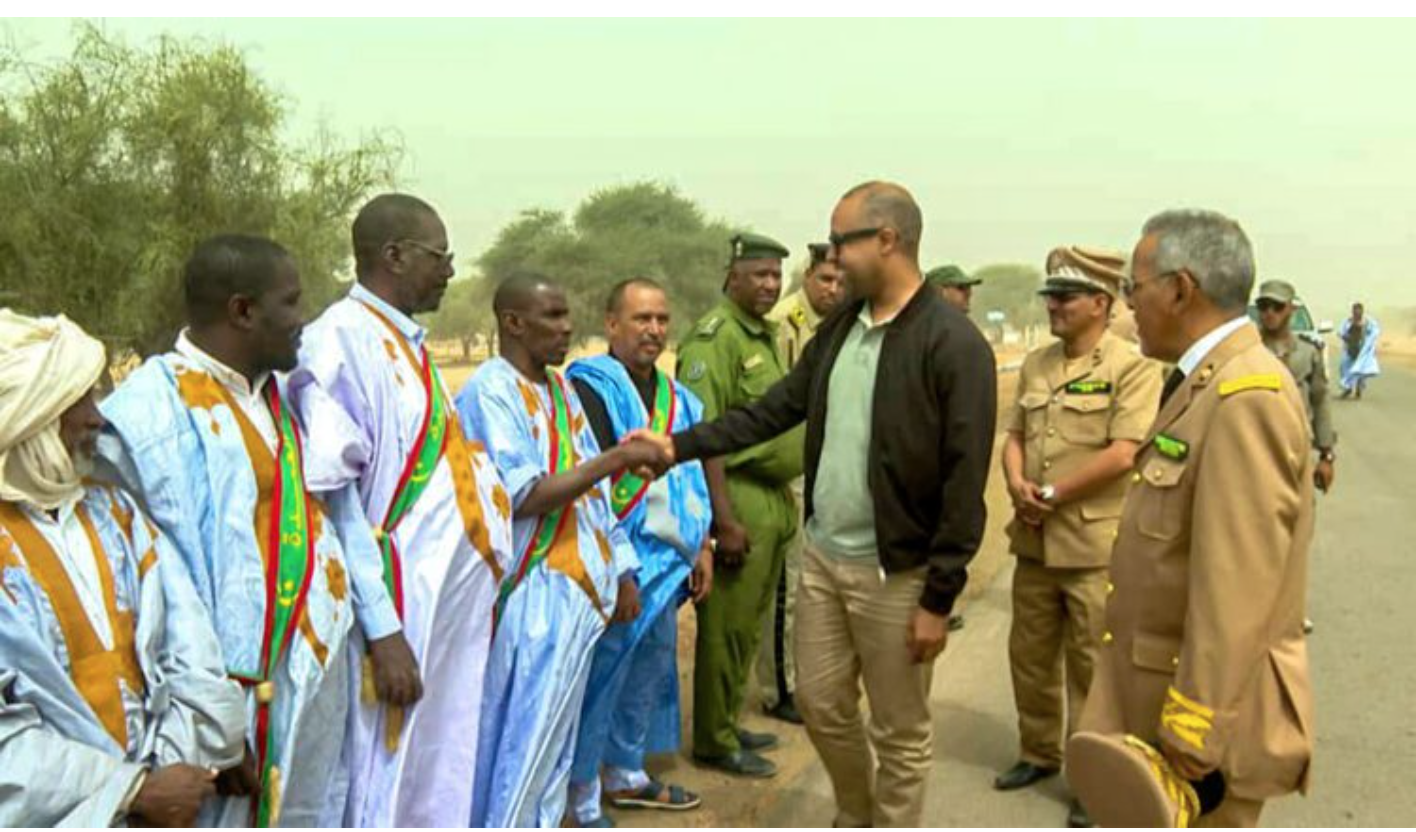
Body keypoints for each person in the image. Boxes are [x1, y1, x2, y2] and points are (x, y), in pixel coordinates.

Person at [636, 181, 998, 827]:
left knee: (900, 730)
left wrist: (939, 597)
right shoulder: (839, 332)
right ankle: (858, 815)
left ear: (886, 240)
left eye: (842, 241)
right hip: (827, 560)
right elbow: (773, 410)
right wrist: (676, 445)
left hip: (898, 575)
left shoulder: (950, 343)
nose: (831, 258)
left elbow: (965, 480)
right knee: (826, 708)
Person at [99, 235, 358, 826]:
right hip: (217, 703)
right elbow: (147, 589)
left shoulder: (284, 399)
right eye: (291, 303)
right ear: (243, 311)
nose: (303, 321)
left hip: (304, 678)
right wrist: (217, 720)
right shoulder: (145, 415)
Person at [1068, 210, 1315, 828]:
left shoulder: (1245, 397)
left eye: (1135, 288)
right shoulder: (1201, 383)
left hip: (1191, 723)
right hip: (1150, 696)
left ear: (1180, 290)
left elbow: (1237, 588)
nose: (1127, 305)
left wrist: (1194, 725)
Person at [288, 193, 512, 826]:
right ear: (394, 255)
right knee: (384, 761)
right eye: (440, 257)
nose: (449, 272)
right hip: (396, 601)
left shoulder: (403, 340)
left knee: (437, 756)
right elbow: (336, 500)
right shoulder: (338, 340)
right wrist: (383, 629)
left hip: (444, 604)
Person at [0, 310, 246, 827]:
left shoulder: (117, 513)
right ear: (27, 417)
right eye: (78, 402)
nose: (98, 418)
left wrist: (172, 769)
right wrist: (127, 790)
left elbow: (191, 653)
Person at [457, 272, 661, 828]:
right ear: (513, 323)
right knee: (519, 748)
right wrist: (615, 460)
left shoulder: (561, 390)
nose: (567, 326)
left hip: (578, 598)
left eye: (568, 314)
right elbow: (521, 496)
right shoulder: (489, 392)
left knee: (553, 750)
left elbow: (594, 497)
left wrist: (621, 569)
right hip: (531, 600)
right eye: (552, 316)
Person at [996, 257, 1161, 827]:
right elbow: (1014, 435)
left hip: (1092, 546)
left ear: (1102, 302)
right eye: (1051, 295)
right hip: (1035, 541)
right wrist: (1017, 484)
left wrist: (1052, 491)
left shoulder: (1133, 369)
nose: (1054, 305)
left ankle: (1093, 781)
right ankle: (1038, 752)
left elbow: (1124, 452)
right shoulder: (1039, 363)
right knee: (1030, 656)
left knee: (1092, 667)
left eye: (1068, 295)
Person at [564, 278, 715, 826]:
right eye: (640, 319)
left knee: (649, 668)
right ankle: (579, 795)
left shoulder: (677, 397)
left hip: (670, 560)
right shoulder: (588, 389)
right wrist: (621, 568)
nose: (653, 330)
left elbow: (692, 473)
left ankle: (625, 773)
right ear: (611, 325)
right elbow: (594, 486)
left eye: (660, 320)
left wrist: (703, 546)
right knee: (601, 675)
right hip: (618, 560)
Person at [676, 232, 805, 777]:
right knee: (727, 624)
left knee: (751, 623)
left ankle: (728, 719)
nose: (770, 285)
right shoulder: (716, 337)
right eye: (759, 275)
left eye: (776, 275)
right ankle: (713, 740)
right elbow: (704, 432)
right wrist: (722, 519)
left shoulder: (766, 335)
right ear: (732, 276)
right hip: (739, 494)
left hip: (773, 497)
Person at [759, 241, 846, 725]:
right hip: (790, 469)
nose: (833, 289)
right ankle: (780, 688)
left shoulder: (838, 323)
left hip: (823, 466)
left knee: (815, 580)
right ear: (807, 275)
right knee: (787, 586)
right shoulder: (787, 323)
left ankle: (803, 674)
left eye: (840, 280)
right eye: (825, 279)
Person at [1256, 279, 1336, 636]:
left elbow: (1320, 403)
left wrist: (1327, 454)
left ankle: (1292, 609)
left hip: (1296, 452)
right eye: (1264, 307)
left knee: (1297, 529)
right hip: (1253, 450)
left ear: (1290, 309)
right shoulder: (1246, 350)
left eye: (1277, 307)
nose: (1270, 314)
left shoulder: (1307, 353)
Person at [1047, 246, 1138, 343]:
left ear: (1099, 303)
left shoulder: (1129, 327)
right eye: (1051, 296)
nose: (1051, 306)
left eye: (1065, 298)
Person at [1338, 302, 1380, 399]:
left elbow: (1373, 334)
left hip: (1362, 350)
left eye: (1359, 311)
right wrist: (1346, 338)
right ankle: (1347, 388)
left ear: (1362, 312)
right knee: (1345, 368)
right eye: (1355, 311)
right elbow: (1341, 332)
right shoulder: (1348, 322)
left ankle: (1358, 388)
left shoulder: (1367, 322)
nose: (1357, 313)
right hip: (1350, 349)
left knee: (1360, 369)